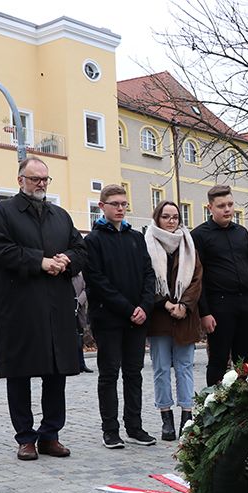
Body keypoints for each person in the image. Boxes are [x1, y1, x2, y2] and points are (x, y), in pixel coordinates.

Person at [0, 157, 86, 461]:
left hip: (56, 306)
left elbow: (81, 250)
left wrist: (66, 260)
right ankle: (26, 437)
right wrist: (40, 262)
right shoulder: (2, 211)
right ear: (20, 180)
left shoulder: (61, 215)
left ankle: (50, 434)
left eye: (45, 179)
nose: (40, 183)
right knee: (20, 374)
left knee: (56, 374)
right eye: (34, 178)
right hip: (21, 307)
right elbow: (1, 250)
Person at [84, 184, 157, 449]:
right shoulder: (93, 240)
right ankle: (110, 430)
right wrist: (128, 309)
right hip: (109, 319)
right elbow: (97, 282)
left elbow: (149, 275)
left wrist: (145, 307)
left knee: (134, 374)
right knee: (109, 374)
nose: (120, 208)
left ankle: (134, 427)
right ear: (102, 207)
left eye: (124, 204)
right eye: (115, 204)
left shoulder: (136, 237)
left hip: (138, 318)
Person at [192, 185, 248, 386]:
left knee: (246, 359)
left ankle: (245, 407)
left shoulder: (241, 232)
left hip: (245, 303)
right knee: (218, 360)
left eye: (230, 204)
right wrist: (204, 312)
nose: (227, 209)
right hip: (218, 306)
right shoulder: (200, 235)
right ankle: (214, 409)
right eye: (221, 205)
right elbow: (198, 278)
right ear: (210, 208)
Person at [145, 200, 203, 441]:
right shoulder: (147, 243)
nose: (171, 221)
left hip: (185, 317)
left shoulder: (188, 245)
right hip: (159, 317)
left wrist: (184, 305)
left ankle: (186, 417)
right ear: (157, 218)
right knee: (160, 369)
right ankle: (166, 418)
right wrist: (166, 303)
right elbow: (146, 278)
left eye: (175, 217)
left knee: (185, 367)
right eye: (166, 216)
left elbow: (197, 278)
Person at [72, 273, 93, 373]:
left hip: (78, 311)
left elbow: (86, 289)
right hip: (66, 310)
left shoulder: (81, 277)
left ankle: (81, 364)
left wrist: (79, 301)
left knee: (79, 339)